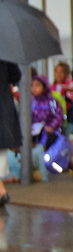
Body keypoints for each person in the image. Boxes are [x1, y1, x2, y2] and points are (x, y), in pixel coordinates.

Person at [30, 76, 64, 182]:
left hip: (50, 132)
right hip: (35, 133)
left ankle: (44, 168)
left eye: (37, 86)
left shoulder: (52, 102)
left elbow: (59, 116)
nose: (34, 89)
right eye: (32, 86)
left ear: (44, 87)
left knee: (43, 147)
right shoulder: (31, 102)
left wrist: (51, 127)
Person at [0, 62, 19, 201]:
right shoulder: (5, 52)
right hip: (3, 103)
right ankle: (1, 191)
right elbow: (16, 75)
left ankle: (1, 191)